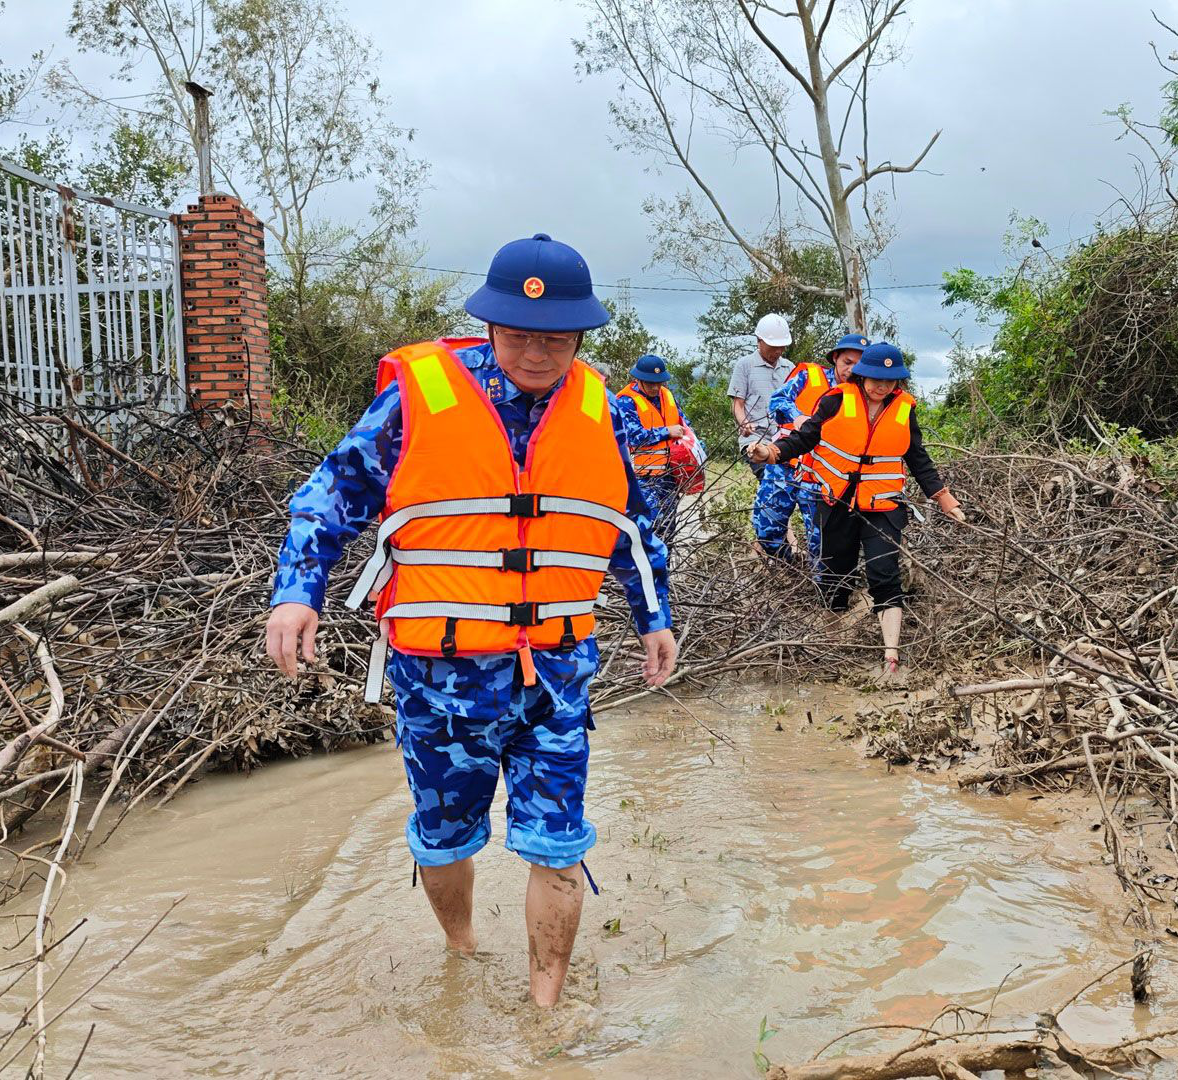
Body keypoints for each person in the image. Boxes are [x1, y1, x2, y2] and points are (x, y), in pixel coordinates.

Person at [265, 233, 679, 1009]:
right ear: (489, 325)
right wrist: (298, 591)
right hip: (440, 679)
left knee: (558, 843)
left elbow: (631, 524)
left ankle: (545, 1013)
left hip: (555, 674)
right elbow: (332, 493)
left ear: (581, 335)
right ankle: (462, 953)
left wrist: (654, 615)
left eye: (556, 338)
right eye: (519, 335)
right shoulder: (418, 397)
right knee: (444, 836)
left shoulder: (602, 410)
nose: (536, 352)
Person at [746, 342, 964, 677]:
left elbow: (917, 457)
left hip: (883, 504)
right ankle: (833, 638)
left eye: (890, 381)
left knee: (884, 574)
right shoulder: (835, 400)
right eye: (876, 379)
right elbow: (805, 439)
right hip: (836, 503)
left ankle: (891, 658)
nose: (882, 386)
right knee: (836, 575)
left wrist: (943, 497)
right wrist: (771, 453)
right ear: (862, 376)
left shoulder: (904, 409)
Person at [767, 332, 868, 572]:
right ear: (835, 358)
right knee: (768, 529)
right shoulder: (809, 375)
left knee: (820, 540)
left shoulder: (863, 394)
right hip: (785, 465)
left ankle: (819, 587)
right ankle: (786, 567)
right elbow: (777, 400)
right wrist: (797, 416)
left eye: (858, 364)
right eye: (847, 362)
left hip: (820, 476)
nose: (851, 369)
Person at [728, 313, 804, 560]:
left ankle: (766, 546)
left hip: (785, 442)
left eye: (781, 347)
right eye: (773, 346)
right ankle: (782, 547)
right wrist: (744, 422)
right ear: (759, 341)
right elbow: (737, 404)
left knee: (785, 490)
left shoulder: (790, 368)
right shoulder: (745, 365)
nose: (777, 351)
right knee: (773, 484)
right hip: (755, 441)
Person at [614, 353, 693, 543]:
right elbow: (633, 436)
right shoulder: (626, 401)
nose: (655, 387)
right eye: (650, 383)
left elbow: (684, 424)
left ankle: (666, 562)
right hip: (642, 478)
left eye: (659, 383)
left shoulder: (667, 396)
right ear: (638, 379)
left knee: (668, 528)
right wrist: (666, 432)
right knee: (648, 528)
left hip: (670, 475)